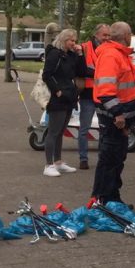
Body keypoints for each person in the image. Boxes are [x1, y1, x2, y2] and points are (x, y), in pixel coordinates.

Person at [91, 22, 135, 204]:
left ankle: (112, 198)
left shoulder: (120, 54)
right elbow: (106, 91)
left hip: (119, 118)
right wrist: (118, 115)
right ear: (126, 36)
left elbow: (130, 78)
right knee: (110, 159)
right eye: (131, 35)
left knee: (116, 160)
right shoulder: (112, 55)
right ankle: (104, 199)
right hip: (113, 118)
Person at [40, 29, 83, 177]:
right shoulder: (54, 54)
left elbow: (80, 71)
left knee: (60, 132)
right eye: (71, 40)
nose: (74, 43)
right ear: (64, 40)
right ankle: (48, 165)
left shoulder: (70, 55)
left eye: (75, 40)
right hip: (58, 98)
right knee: (53, 132)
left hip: (69, 97)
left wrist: (80, 54)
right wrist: (57, 91)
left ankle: (58, 162)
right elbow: (47, 74)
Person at [78, 24, 111, 170]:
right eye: (104, 35)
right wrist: (100, 71)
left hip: (103, 93)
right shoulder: (84, 48)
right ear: (96, 35)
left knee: (103, 128)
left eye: (108, 35)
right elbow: (81, 69)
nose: (107, 38)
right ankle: (83, 159)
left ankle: (102, 158)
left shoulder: (109, 49)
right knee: (84, 128)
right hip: (87, 93)